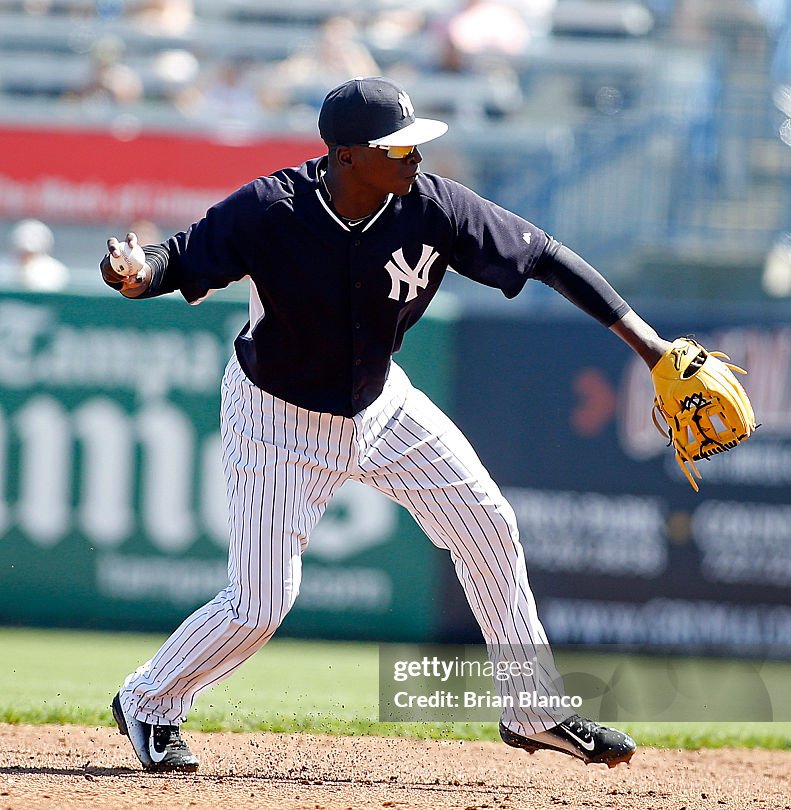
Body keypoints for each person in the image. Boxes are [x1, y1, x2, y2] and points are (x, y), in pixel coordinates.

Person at [101, 76, 671, 773]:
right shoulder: (269, 209)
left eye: (413, 143)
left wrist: (654, 349)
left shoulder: (432, 208)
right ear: (346, 156)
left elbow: (544, 257)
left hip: (382, 404)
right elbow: (175, 262)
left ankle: (533, 709)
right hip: (277, 419)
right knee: (258, 605)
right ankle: (149, 701)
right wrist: (134, 271)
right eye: (395, 147)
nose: (414, 157)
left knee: (487, 524)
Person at [9, 219, 69, 292]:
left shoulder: (54, 272)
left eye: (31, 254)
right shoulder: (6, 270)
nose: (26, 257)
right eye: (22, 253)